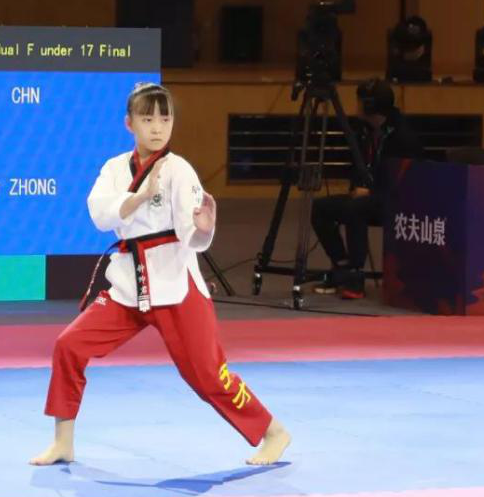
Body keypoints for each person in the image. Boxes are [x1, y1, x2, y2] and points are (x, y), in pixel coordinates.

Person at [30, 83, 290, 466]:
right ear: (129, 123)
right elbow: (99, 214)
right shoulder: (114, 168)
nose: (157, 128)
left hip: (175, 285)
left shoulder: (179, 170)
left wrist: (203, 228)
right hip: (128, 286)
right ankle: (63, 442)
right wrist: (138, 197)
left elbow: (190, 234)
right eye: (147, 119)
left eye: (165, 119)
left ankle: (272, 431)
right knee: (69, 345)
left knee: (207, 376)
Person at [310, 78, 423, 299]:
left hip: (395, 199)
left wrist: (371, 192)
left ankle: (355, 276)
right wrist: (358, 186)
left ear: (371, 106)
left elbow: (405, 181)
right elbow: (358, 165)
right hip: (368, 195)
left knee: (356, 208)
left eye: (360, 101)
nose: (357, 106)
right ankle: (342, 266)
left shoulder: (403, 137)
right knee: (320, 208)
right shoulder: (364, 130)